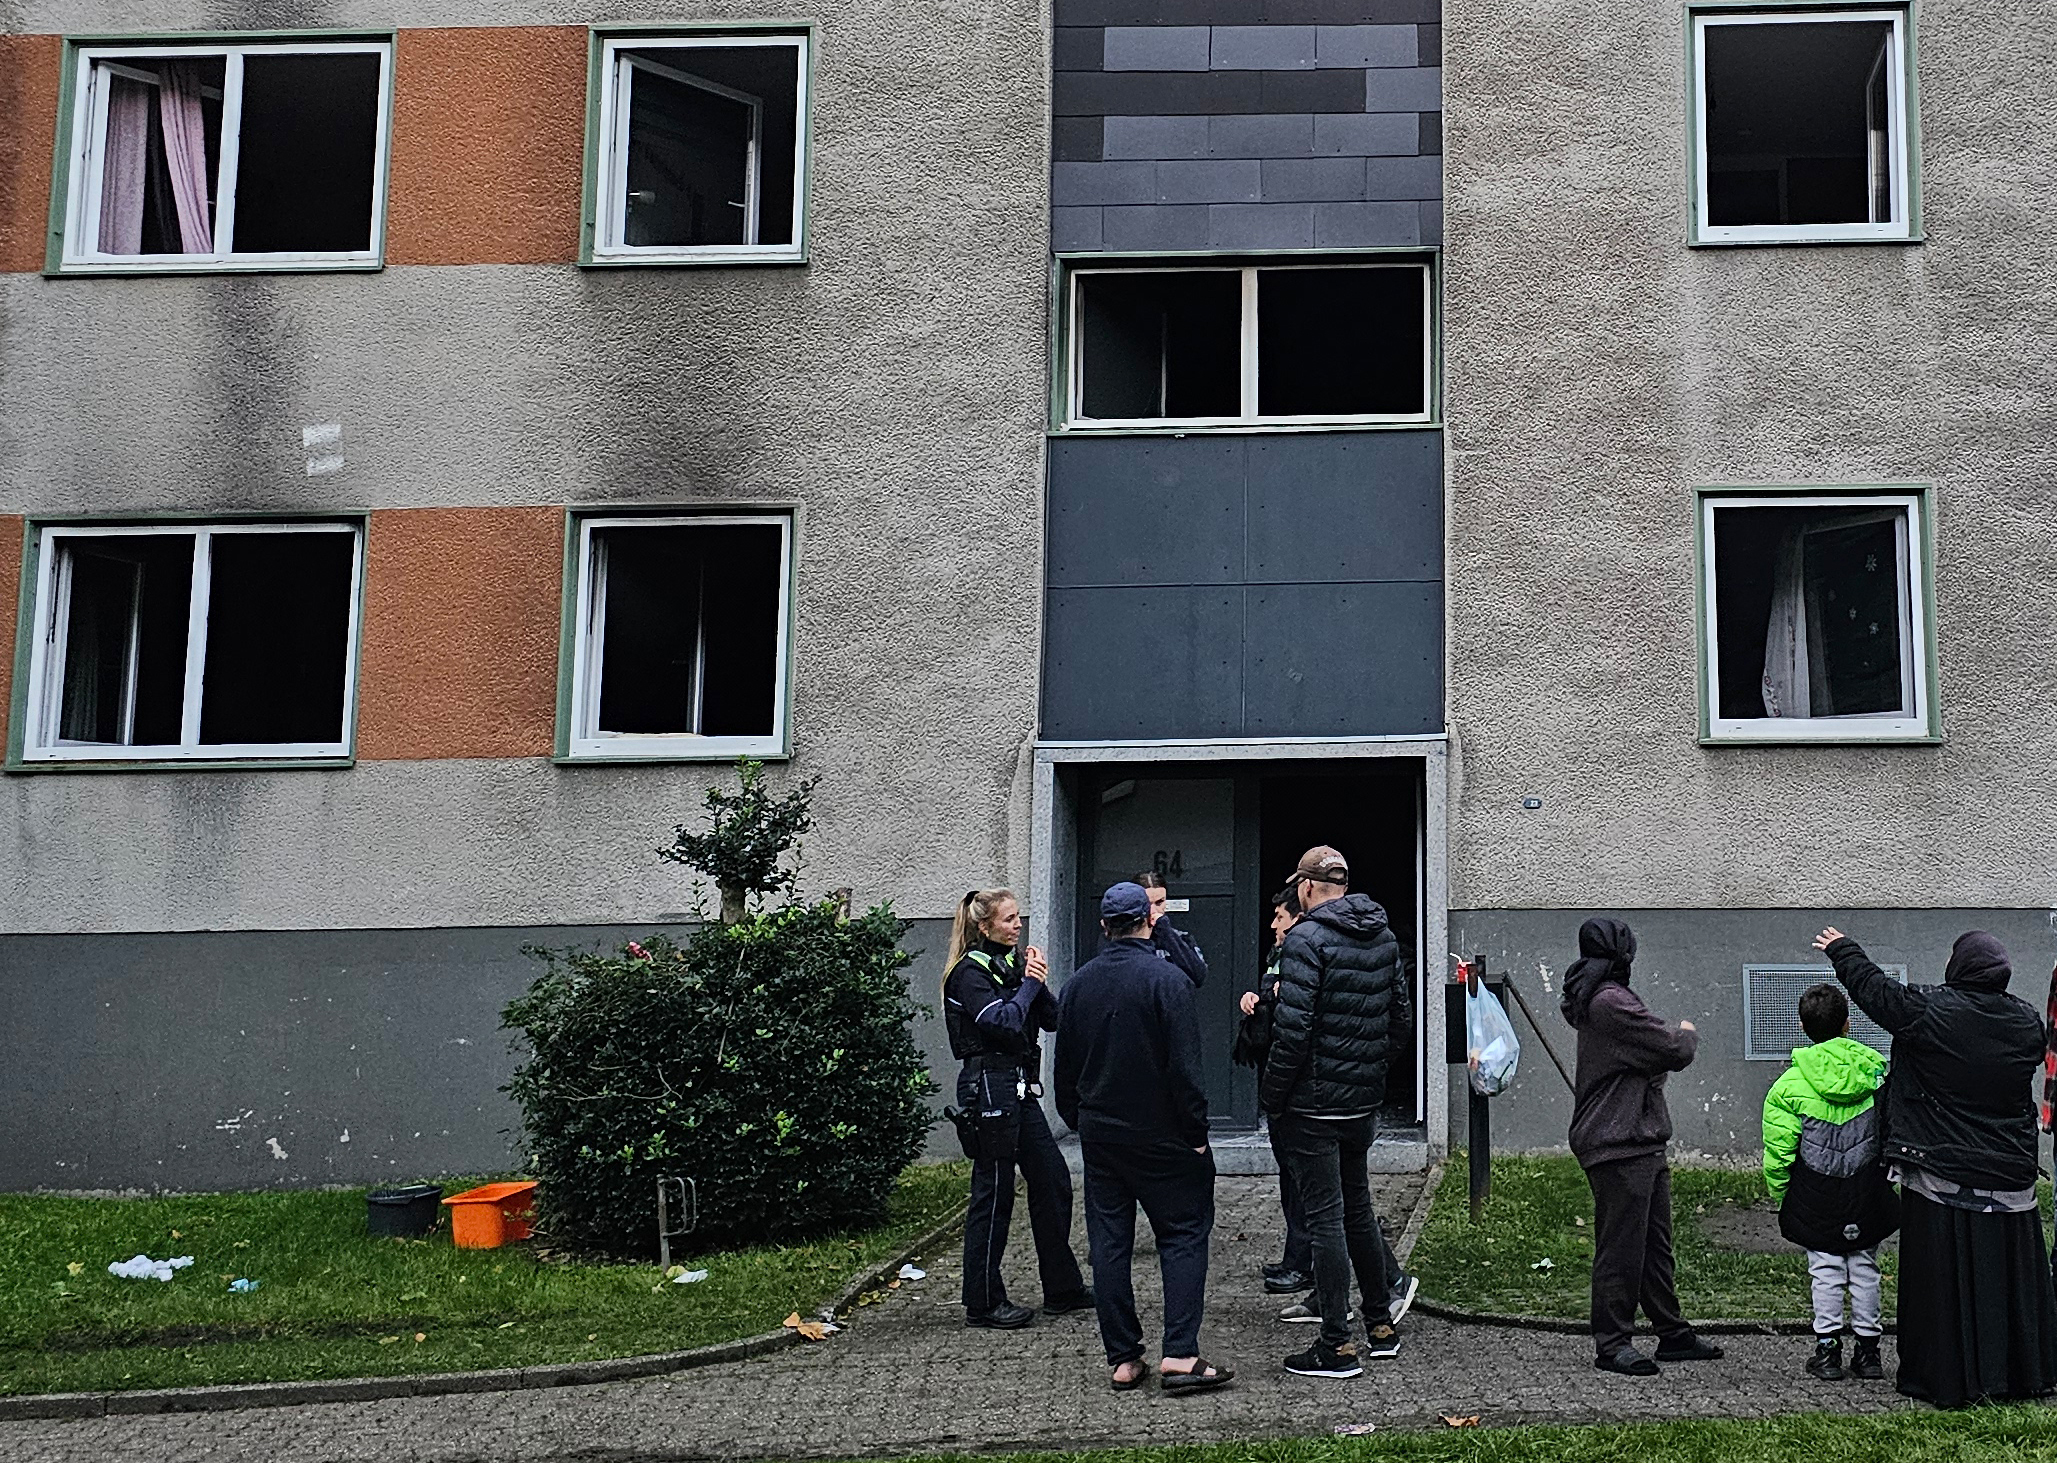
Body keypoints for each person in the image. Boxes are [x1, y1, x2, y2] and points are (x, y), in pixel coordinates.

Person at [1817, 926, 2057, 1407]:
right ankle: (2019, 1374)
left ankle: (1947, 1375)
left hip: (1940, 1172)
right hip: (2008, 1176)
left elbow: (1877, 994)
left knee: (1942, 1283)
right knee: (2008, 1281)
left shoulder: (1930, 1012)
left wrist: (1842, 950)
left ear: (1958, 968)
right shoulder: (2027, 1022)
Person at [1055, 882, 1233, 1394]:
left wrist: (1083, 1119)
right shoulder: (1168, 980)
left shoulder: (1077, 986)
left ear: (1105, 927)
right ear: (1148, 922)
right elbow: (1185, 1070)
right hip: (1164, 1137)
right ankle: (1180, 1354)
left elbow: (1065, 1072)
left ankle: (1124, 1360)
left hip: (1102, 1136)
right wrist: (1196, 1134)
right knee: (1182, 1235)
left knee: (1109, 1245)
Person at [1259, 846, 1409, 1378]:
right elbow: (1399, 1023)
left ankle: (1336, 1344)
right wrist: (1367, 1074)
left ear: (1304, 888)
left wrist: (1273, 1095)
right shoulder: (1385, 936)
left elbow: (1292, 1031)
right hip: (1361, 1102)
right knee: (1358, 1208)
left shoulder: (1305, 939)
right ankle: (1381, 1326)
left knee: (1324, 1217)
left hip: (1312, 1105)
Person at [1561, 917, 1724, 1376]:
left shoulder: (1602, 994)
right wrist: (1687, 1031)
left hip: (1638, 1137)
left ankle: (1672, 1334)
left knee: (1654, 1245)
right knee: (1621, 1249)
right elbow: (1673, 1048)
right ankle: (1612, 1344)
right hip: (1618, 1140)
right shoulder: (1611, 1001)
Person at [942, 888, 1093, 1329]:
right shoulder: (969, 974)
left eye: (1018, 918)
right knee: (994, 1193)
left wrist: (1036, 981)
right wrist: (1028, 983)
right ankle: (983, 1301)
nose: (1017, 926)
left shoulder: (1010, 966)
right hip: (988, 1086)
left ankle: (1062, 1288)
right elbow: (1003, 1022)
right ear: (984, 926)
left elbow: (1052, 1018)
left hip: (1019, 1088)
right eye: (1008, 919)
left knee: (1053, 1180)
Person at [1760, 982, 1898, 1382]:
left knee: (1824, 1269)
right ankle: (1869, 1352)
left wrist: (1784, 1195)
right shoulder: (1874, 1074)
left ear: (1804, 1028)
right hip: (1865, 1188)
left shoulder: (1788, 1086)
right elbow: (1889, 1133)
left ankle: (1827, 1352)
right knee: (1865, 1266)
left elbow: (1780, 1150)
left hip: (1815, 1191)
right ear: (1848, 1023)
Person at [1236, 887, 1313, 1296]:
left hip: (1296, 1087)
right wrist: (1256, 997)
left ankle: (1303, 1265)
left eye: (1280, 918)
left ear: (1297, 919)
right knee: (1290, 1174)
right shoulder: (1278, 955)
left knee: (1302, 1177)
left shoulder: (1304, 958)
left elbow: (1299, 1022)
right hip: (1282, 1082)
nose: (1272, 925)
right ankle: (1294, 1256)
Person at [1138, 872, 1207, 986]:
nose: (1153, 910)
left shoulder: (1182, 938)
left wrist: (1166, 933)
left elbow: (1198, 975)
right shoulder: (1122, 938)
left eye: (1160, 902)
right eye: (1148, 904)